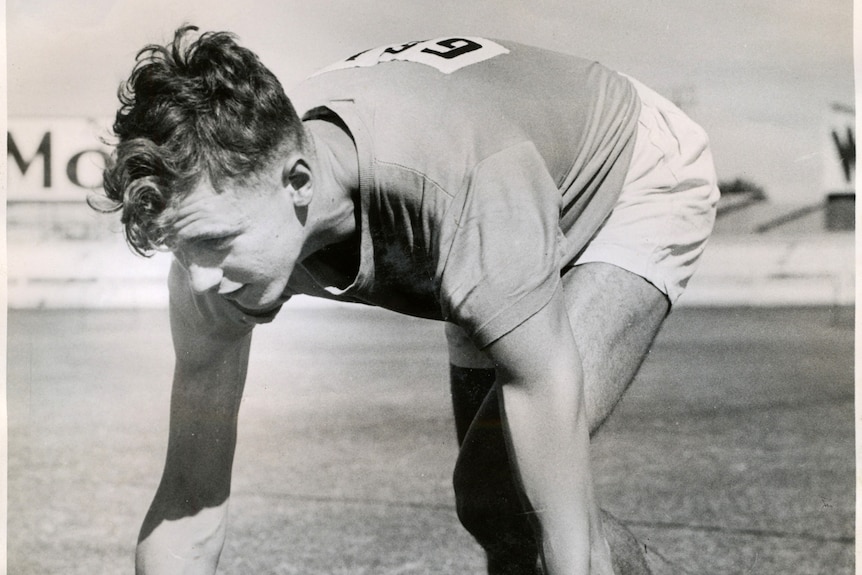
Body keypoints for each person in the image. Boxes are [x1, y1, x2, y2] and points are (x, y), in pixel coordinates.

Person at [95, 25, 719, 575]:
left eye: (218, 243)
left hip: (622, 170)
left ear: (298, 182)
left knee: (507, 489)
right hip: (488, 213)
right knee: (495, 517)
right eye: (182, 249)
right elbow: (188, 498)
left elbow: (556, 459)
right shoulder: (213, 262)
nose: (202, 280)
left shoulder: (459, 189)